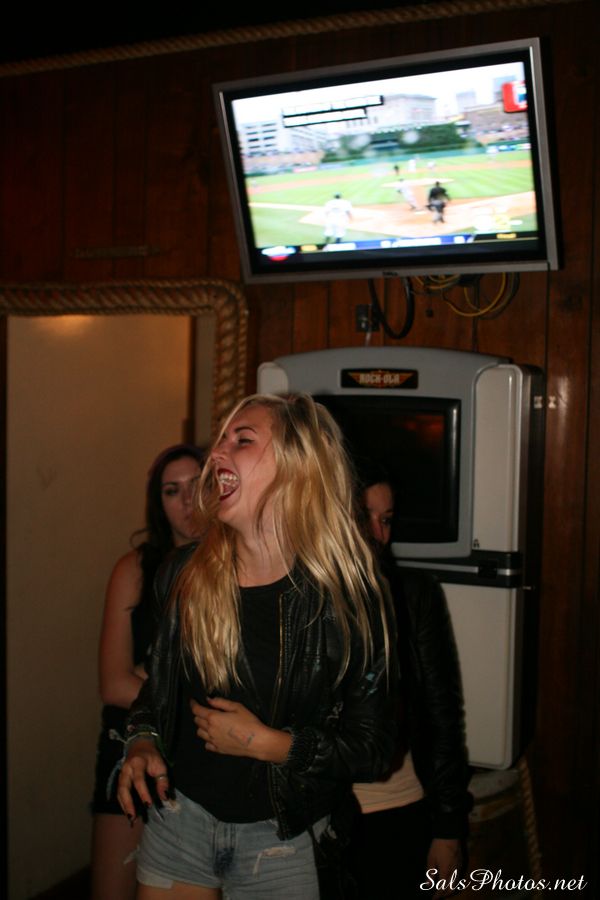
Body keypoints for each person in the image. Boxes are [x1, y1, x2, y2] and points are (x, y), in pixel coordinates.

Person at [117, 393, 397, 900]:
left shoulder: (348, 600)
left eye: (242, 440)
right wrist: (142, 741)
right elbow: (156, 693)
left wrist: (269, 744)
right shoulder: (182, 574)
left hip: (283, 840)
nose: (217, 453)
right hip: (181, 820)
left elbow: (374, 749)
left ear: (296, 468)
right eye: (220, 439)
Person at [90, 443, 205, 900]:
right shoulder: (135, 570)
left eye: (197, 485)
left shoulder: (239, 566)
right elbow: (114, 684)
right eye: (172, 491)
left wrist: (152, 677)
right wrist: (187, 693)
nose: (188, 501)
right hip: (131, 745)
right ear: (158, 504)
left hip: (206, 752)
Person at [351, 472, 470, 899]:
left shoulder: (415, 594)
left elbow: (442, 715)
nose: (378, 534)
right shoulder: (303, 595)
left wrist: (449, 828)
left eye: (386, 520)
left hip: (397, 807)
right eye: (364, 517)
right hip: (321, 816)